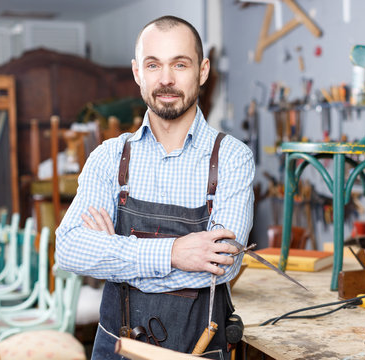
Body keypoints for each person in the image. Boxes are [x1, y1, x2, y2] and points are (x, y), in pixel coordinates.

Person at [56, 15, 255, 359]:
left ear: (203, 70)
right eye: (153, 65)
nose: (166, 79)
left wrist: (114, 251)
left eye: (180, 64)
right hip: (115, 347)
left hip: (199, 349)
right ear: (137, 72)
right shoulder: (109, 157)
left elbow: (223, 265)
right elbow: (70, 249)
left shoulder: (233, 159)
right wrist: (176, 254)